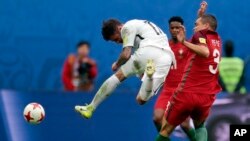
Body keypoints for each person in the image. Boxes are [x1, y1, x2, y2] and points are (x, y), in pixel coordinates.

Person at [75, 19, 176, 119]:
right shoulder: (143, 28)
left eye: (116, 39)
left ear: (119, 28)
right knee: (141, 100)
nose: (118, 42)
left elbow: (126, 54)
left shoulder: (127, 27)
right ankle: (149, 76)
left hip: (148, 51)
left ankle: (91, 108)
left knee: (119, 76)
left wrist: (116, 64)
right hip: (166, 58)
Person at [156, 13, 222, 141]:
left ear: (206, 26)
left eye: (196, 25)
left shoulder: (200, 35)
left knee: (165, 130)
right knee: (200, 126)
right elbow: (204, 38)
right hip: (206, 95)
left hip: (187, 93)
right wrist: (201, 16)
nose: (194, 28)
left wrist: (184, 42)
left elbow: (204, 51)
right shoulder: (217, 39)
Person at [153, 16, 195, 140]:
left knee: (185, 125)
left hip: (182, 91)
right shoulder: (165, 46)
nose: (175, 30)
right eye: (172, 28)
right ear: (169, 29)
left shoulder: (188, 45)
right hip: (167, 89)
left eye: (178, 28)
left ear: (182, 28)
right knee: (157, 118)